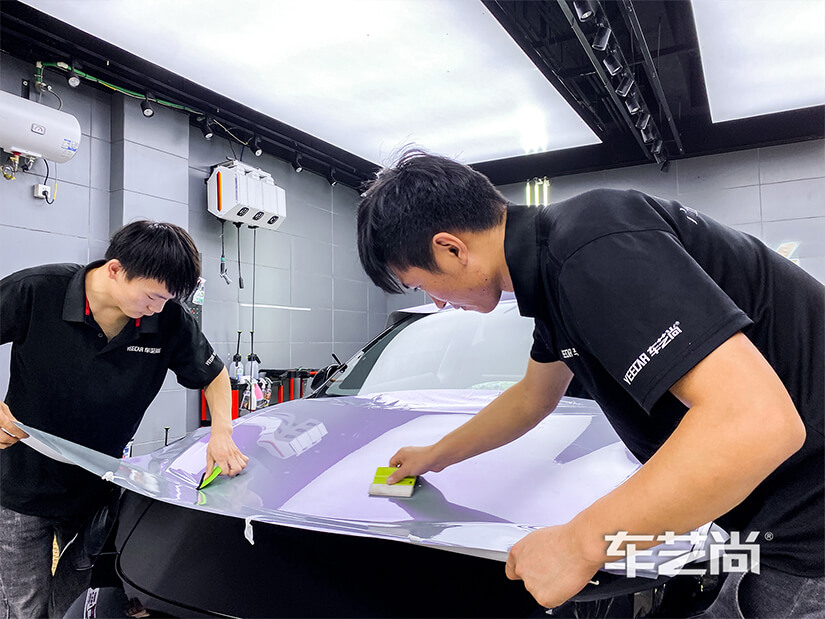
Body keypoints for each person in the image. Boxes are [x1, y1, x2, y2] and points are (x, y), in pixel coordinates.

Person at [356, 150, 824, 617]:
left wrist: (578, 544)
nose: (436, 303)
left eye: (420, 285)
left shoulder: (593, 244)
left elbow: (755, 423)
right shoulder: (555, 274)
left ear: (450, 249)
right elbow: (531, 398)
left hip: (809, 534)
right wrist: (434, 455)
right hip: (769, 528)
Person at [0, 220, 249, 618]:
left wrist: (222, 432)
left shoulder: (167, 320)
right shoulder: (37, 290)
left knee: (77, 604)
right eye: (152, 296)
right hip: (19, 485)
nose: (158, 308)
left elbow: (214, 376)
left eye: (167, 299)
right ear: (115, 269)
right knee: (23, 607)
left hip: (96, 488)